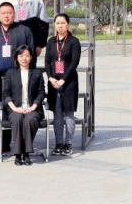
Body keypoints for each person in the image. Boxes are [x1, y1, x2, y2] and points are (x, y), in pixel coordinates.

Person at [0, 2, 35, 155]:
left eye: (9, 13)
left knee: (19, 109)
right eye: (3, 13)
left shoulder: (24, 31)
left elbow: (31, 55)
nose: (6, 16)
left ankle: (22, 143)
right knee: (2, 110)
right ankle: (5, 143)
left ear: (14, 14)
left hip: (18, 78)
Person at [3, 45, 46, 166]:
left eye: (27, 56)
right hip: (15, 108)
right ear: (16, 58)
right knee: (17, 119)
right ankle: (18, 155)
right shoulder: (10, 73)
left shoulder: (37, 73)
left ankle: (26, 154)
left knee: (29, 120)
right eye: (21, 56)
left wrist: (33, 107)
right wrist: (14, 108)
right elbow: (6, 94)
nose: (24, 59)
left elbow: (41, 92)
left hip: (33, 109)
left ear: (31, 58)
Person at [45, 13, 81, 156]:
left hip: (69, 82)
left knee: (69, 114)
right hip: (54, 83)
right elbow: (48, 61)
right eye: (58, 23)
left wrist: (63, 79)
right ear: (54, 25)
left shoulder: (74, 42)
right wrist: (50, 78)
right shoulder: (51, 41)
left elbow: (74, 63)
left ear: (68, 25)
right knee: (57, 114)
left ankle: (68, 143)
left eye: (63, 23)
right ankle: (58, 143)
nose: (60, 26)